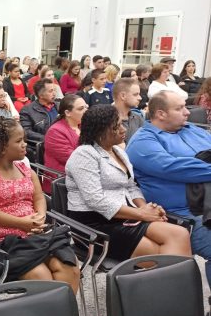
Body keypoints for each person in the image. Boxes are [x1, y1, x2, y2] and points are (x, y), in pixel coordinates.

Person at [66, 105, 192, 263]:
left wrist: (145, 208)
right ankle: (168, 284)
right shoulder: (84, 154)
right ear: (101, 131)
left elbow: (130, 186)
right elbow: (95, 200)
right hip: (94, 225)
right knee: (160, 253)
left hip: (123, 216)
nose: (123, 129)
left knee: (180, 234)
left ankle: (172, 284)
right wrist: (141, 214)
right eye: (116, 126)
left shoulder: (118, 152)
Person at [0, 118, 80, 292]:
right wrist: (23, 223)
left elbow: (39, 198)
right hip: (7, 241)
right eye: (18, 141)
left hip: (37, 234)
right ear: (1, 147)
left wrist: (40, 216)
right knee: (42, 277)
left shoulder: (25, 170)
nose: (24, 144)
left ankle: (64, 315)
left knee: (70, 268)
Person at [127, 90, 211, 287]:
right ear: (160, 114)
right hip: (182, 214)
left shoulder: (193, 130)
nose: (188, 112)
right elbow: (174, 168)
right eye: (179, 108)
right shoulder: (143, 142)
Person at [44, 94, 87, 174]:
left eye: (86, 107)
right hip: (64, 178)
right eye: (81, 109)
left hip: (83, 172)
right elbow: (75, 159)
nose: (86, 111)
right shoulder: (55, 132)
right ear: (67, 113)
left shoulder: (84, 126)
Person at [112, 78, 144, 143]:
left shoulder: (138, 118)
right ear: (123, 96)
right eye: (135, 94)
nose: (140, 98)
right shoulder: (106, 120)